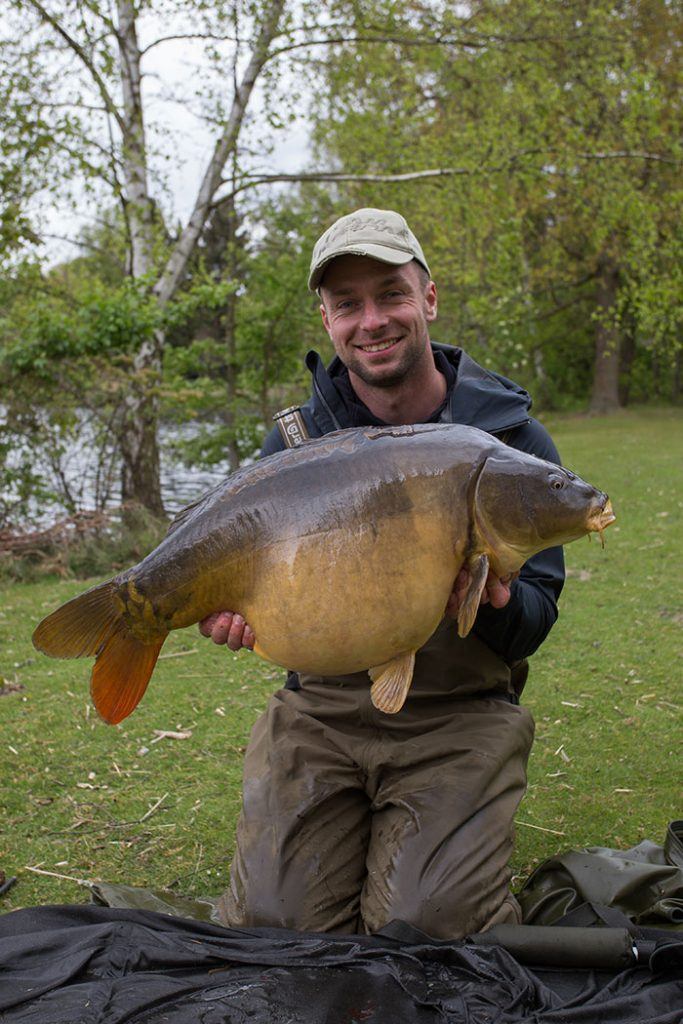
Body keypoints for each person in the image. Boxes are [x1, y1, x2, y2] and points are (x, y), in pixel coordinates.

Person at [199, 208, 565, 938]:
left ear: (427, 299)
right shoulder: (292, 444)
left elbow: (533, 623)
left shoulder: (512, 443)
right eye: (347, 305)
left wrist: (491, 600)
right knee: (273, 922)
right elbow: (262, 594)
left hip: (456, 717)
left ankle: (449, 847)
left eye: (390, 294)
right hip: (322, 715)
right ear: (327, 320)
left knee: (422, 924)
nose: (372, 321)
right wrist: (239, 617)